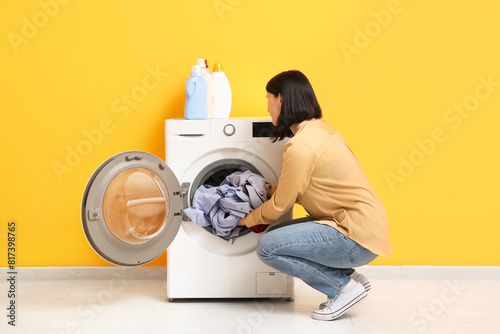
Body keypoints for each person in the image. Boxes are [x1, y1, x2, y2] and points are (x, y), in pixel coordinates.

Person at [237, 70, 392, 321]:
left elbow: (280, 206)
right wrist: (269, 189)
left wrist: (246, 220)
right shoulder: (319, 131)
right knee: (277, 235)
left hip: (354, 236)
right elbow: (302, 187)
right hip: (362, 226)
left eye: (268, 99)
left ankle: (342, 287)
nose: (267, 108)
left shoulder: (300, 146)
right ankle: (350, 279)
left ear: (281, 99)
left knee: (268, 247)